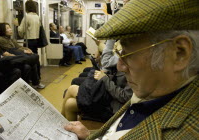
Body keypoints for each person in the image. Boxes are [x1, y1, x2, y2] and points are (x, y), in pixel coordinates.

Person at [64, 0, 199, 139]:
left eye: (128, 53)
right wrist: (88, 136)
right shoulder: (153, 90)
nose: (120, 66)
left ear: (179, 53)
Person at [0, 23, 45, 89]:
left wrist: (27, 49)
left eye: (10, 27)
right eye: (8, 28)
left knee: (32, 63)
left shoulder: (11, 39)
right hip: (13, 59)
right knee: (31, 63)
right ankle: (34, 83)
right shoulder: (1, 40)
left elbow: (18, 46)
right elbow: (12, 50)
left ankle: (34, 83)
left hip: (18, 57)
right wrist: (24, 51)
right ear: (2, 30)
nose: (10, 29)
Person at [14, 0, 41, 78]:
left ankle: (30, 77)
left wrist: (17, 26)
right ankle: (37, 76)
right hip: (36, 40)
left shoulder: (27, 16)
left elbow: (21, 30)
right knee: (35, 58)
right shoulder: (37, 16)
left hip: (29, 41)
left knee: (29, 59)